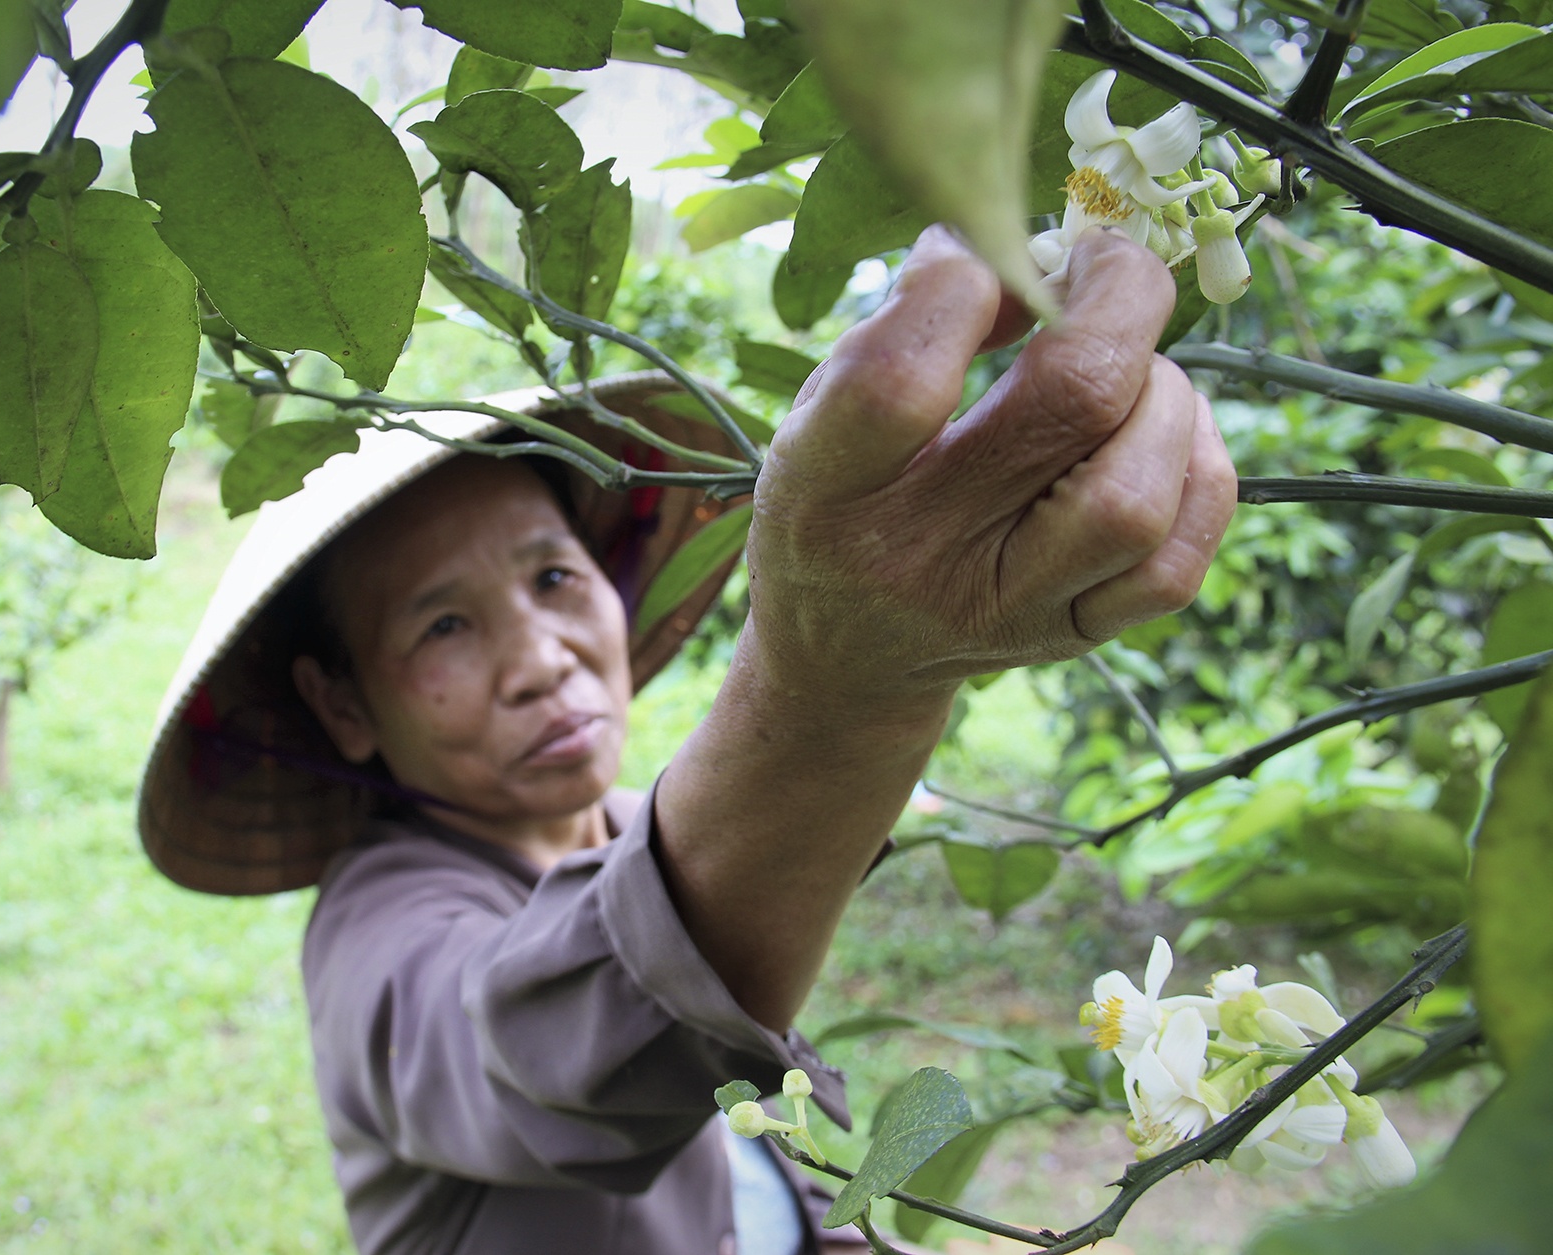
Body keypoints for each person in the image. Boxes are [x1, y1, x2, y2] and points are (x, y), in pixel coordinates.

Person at [136, 226, 1237, 1254]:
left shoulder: (632, 827)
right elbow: (556, 1057)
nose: (540, 658)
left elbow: (739, 1124)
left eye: (552, 576)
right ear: (342, 705)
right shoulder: (376, 927)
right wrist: (842, 689)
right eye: (444, 626)